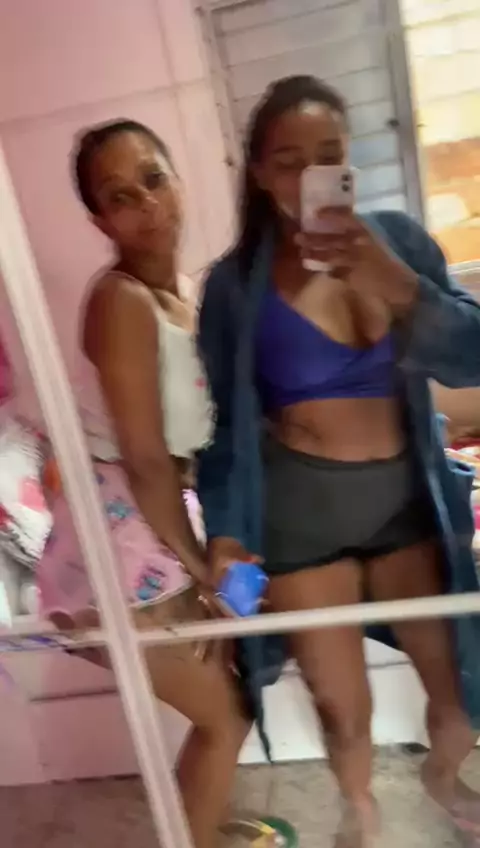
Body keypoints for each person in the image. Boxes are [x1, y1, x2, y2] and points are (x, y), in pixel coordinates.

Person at [196, 76, 480, 847]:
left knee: (459, 689)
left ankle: (442, 776)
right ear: (260, 173)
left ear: (349, 160)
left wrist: (395, 284)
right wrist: (225, 533)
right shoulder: (234, 285)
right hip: (302, 519)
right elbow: (224, 430)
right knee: (343, 710)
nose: (309, 176)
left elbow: (471, 356)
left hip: (405, 505)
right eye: (288, 161)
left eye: (328, 156)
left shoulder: (399, 243)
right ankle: (361, 815)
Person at [36, 119, 252, 848]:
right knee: (226, 716)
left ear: (179, 181)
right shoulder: (121, 300)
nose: (147, 205)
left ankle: (194, 831)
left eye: (154, 180)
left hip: (156, 518)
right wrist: (200, 569)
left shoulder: (184, 294)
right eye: (120, 197)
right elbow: (146, 459)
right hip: (123, 536)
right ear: (100, 221)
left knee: (222, 711)